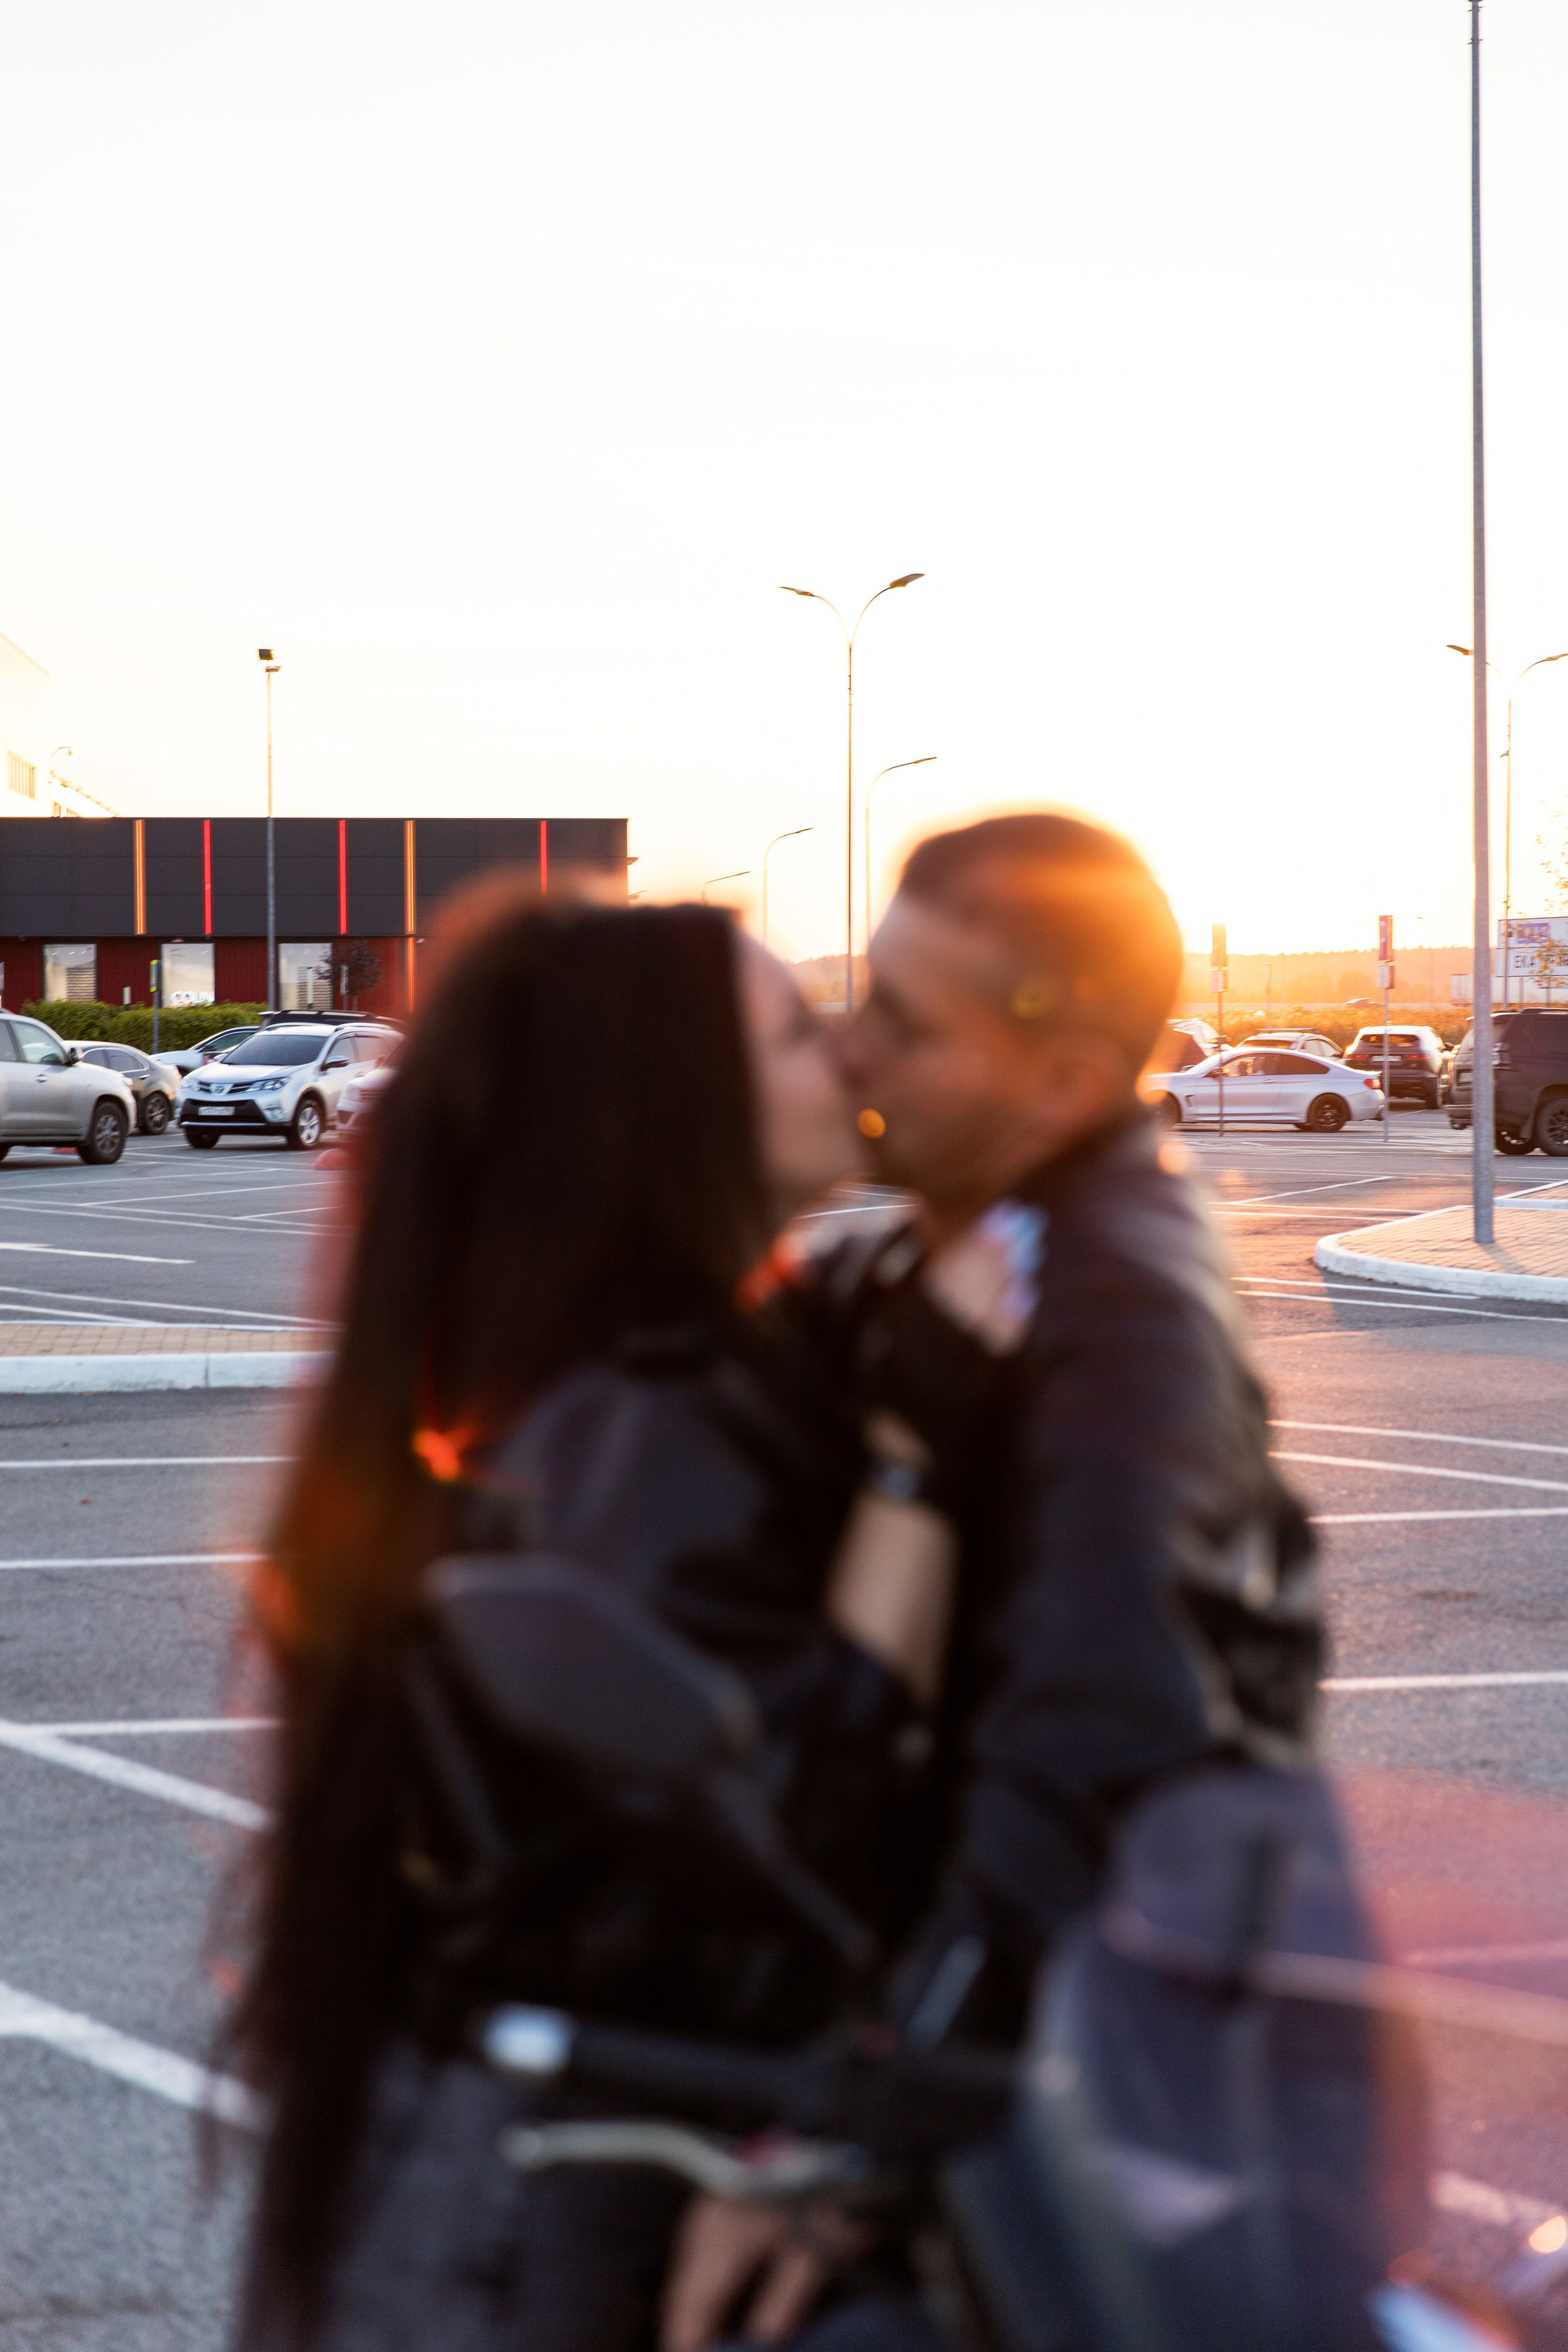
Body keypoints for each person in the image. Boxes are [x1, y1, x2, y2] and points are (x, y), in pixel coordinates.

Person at [228, 886, 960, 2352]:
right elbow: (797, 1808)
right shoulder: (641, 1422)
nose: (850, 1062)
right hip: (548, 2228)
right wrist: (912, 1467)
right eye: (798, 1035)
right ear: (672, 1104)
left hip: (562, 2173)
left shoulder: (679, 1369)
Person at [660, 811, 1324, 2351]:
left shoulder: (1116, 1325)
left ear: (1062, 1083)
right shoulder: (957, 1246)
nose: (852, 1044)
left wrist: (857, 2135)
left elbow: (1095, 1739)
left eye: (901, 1019)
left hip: (1093, 2112)